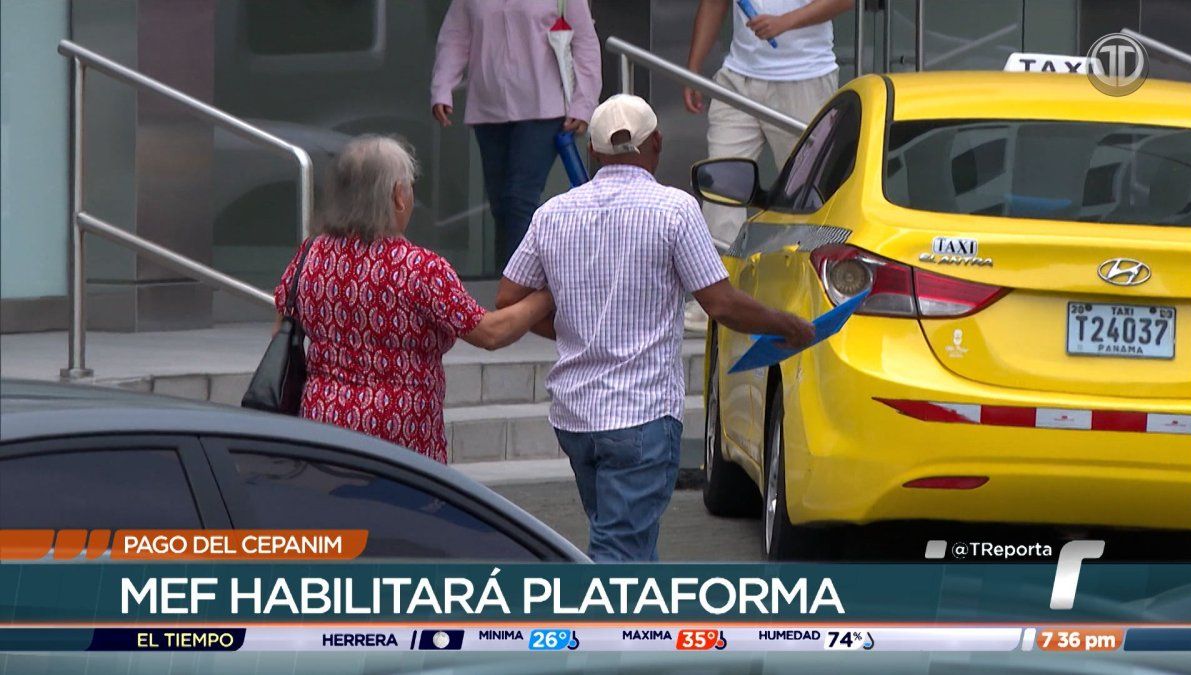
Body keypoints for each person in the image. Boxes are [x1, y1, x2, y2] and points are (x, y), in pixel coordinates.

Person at [496, 95, 814, 562]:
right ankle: (604, 613)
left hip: (575, 417)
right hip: (641, 415)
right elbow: (721, 303)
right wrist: (789, 325)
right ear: (657, 143)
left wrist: (572, 328)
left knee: (624, 541)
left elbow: (508, 298)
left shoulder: (552, 214)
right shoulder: (675, 210)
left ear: (592, 151)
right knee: (620, 554)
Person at [273, 136, 554, 464]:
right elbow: (491, 332)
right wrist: (547, 295)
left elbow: (281, 325)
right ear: (397, 195)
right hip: (400, 438)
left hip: (324, 425)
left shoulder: (310, 254)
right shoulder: (420, 268)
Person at [682, 0, 852, 332]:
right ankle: (719, 300)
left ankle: (815, 295)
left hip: (805, 78)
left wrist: (785, 22)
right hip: (737, 77)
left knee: (810, 198)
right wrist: (693, 68)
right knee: (721, 191)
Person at [431, 0, 602, 269]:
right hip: (489, 109)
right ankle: (510, 280)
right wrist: (442, 88)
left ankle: (516, 286)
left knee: (519, 199)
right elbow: (454, 37)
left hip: (543, 107)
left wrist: (584, 104)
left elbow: (585, 43)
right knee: (501, 205)